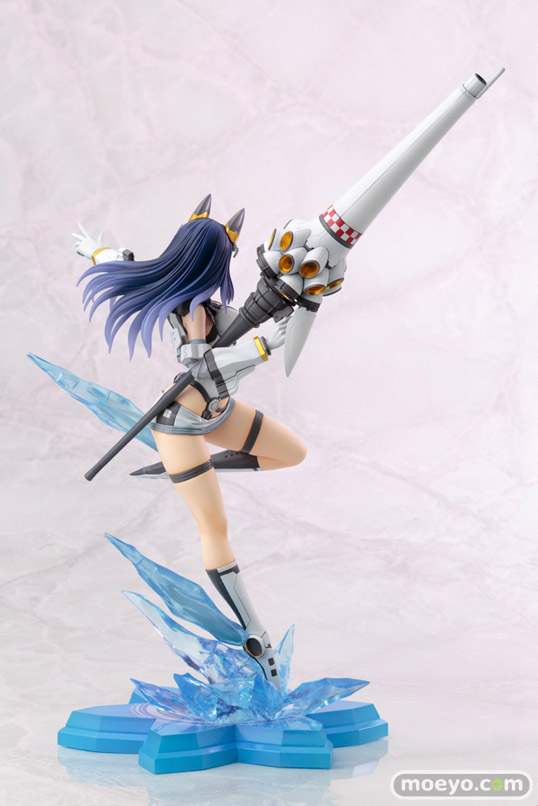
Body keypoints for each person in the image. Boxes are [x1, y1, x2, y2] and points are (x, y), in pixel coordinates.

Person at [72, 195, 307, 689]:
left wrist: (96, 253)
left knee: (292, 453)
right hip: (181, 423)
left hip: (219, 414)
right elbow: (201, 365)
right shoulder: (191, 309)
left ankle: (194, 469)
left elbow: (127, 263)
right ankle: (255, 633)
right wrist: (264, 346)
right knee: (214, 526)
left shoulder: (205, 301)